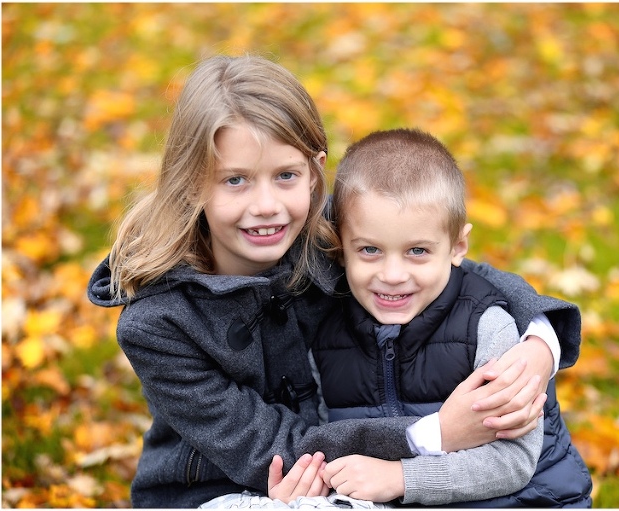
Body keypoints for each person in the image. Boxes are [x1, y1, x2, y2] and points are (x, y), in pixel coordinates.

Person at [86, 54, 584, 509]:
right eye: (235, 180)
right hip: (215, 488)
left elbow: (451, 270)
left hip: (346, 472)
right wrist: (432, 435)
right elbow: (268, 448)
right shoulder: (158, 323)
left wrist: (540, 338)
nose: (266, 206)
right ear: (194, 181)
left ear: (313, 172)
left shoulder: (324, 238)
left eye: (285, 175)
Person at [308, 128, 592, 507]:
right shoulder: (324, 327)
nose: (393, 274)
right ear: (340, 247)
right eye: (370, 250)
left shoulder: (489, 328)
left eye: (418, 251)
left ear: (458, 246)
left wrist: (402, 478)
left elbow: (514, 462)